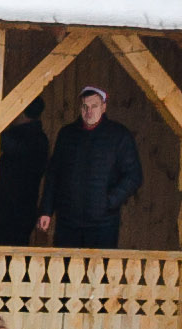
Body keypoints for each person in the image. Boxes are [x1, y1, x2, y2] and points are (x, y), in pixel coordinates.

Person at [39, 85, 142, 251]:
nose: (89, 111)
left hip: (103, 224)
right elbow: (53, 175)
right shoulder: (67, 134)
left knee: (99, 273)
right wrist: (46, 211)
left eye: (94, 106)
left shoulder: (119, 135)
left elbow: (134, 175)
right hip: (68, 221)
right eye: (85, 107)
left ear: (104, 107)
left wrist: (108, 202)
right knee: (65, 272)